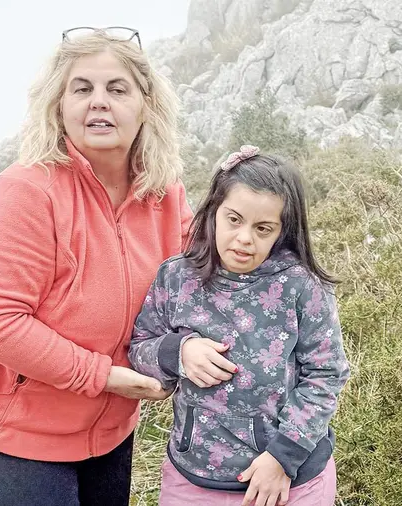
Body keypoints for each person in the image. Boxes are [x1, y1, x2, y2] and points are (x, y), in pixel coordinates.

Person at [0, 27, 193, 506]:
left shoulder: (164, 192)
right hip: (10, 429)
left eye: (117, 89)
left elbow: (203, 275)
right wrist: (102, 376)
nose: (99, 101)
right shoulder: (28, 191)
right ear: (59, 106)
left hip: (108, 423)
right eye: (82, 88)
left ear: (146, 105)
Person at [129, 145, 352, 506]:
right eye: (234, 219)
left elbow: (326, 373)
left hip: (289, 482)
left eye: (263, 228)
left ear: (282, 230)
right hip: (194, 480)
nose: (245, 238)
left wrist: (283, 458)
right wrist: (178, 352)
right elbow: (140, 347)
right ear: (214, 212)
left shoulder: (301, 285)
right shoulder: (176, 277)